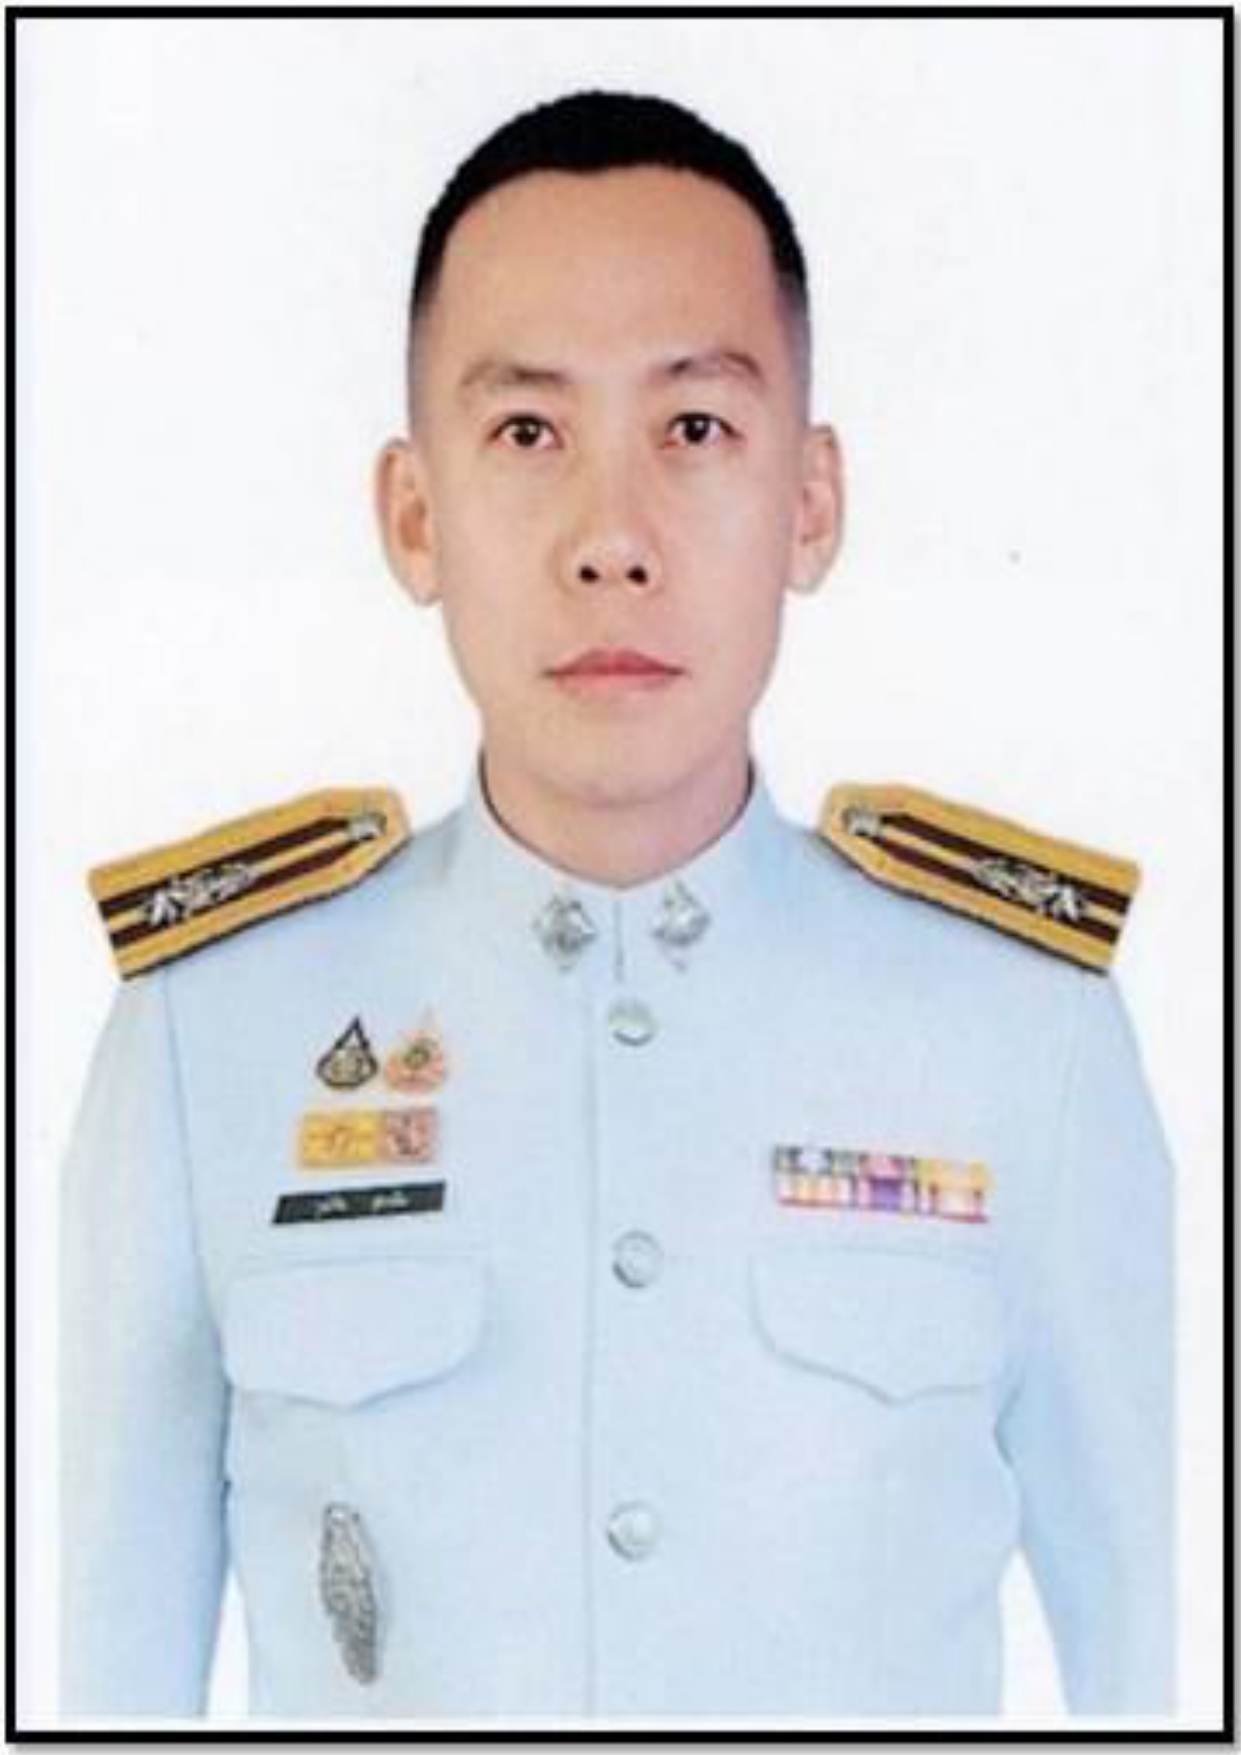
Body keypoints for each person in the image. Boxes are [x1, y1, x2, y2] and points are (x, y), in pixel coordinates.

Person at [60, 90, 1174, 1721]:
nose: (611, 541)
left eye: (694, 428)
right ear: (413, 516)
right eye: (527, 433)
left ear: (809, 502)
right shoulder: (208, 1032)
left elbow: (1162, 1665)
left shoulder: (1021, 1030)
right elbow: (98, 1681)